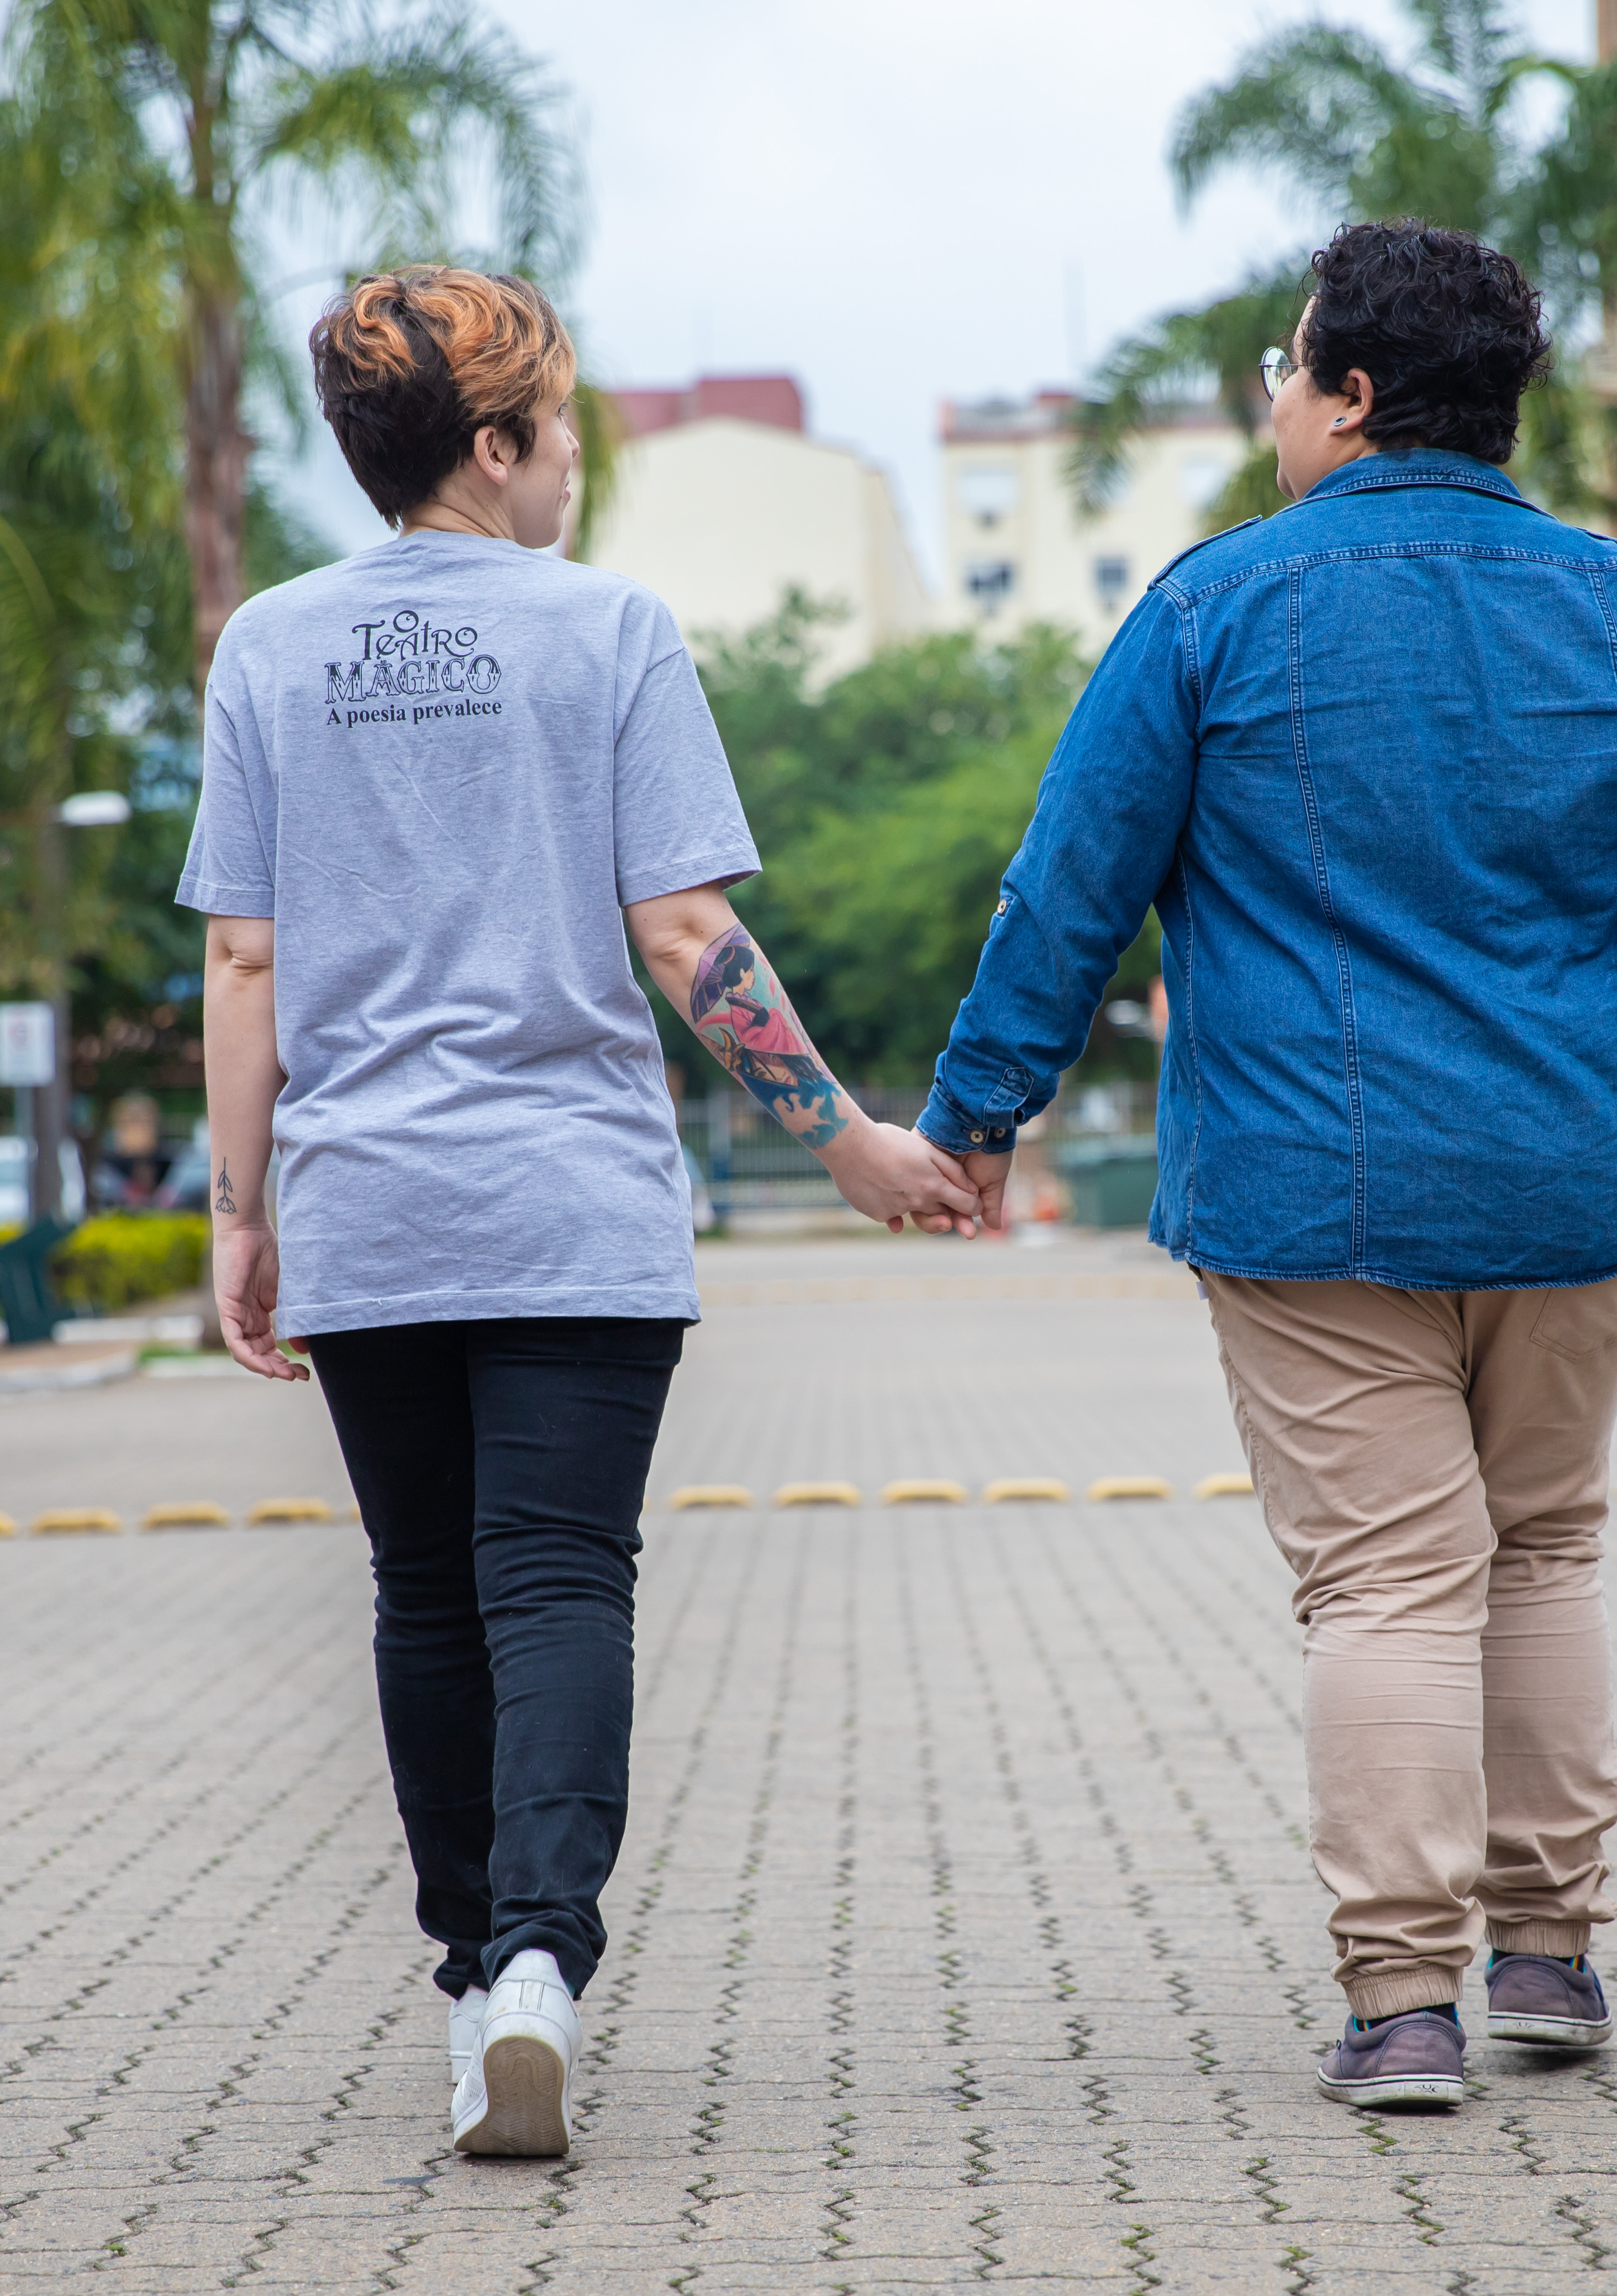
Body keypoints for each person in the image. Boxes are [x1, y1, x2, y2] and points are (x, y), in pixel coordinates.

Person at [917, 220, 1617, 2111]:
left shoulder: (1209, 612)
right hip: (1574, 1184)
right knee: (1544, 1549)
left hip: (1308, 1194)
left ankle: (1406, 2002)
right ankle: (1549, 1958)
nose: (1273, 402)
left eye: (1284, 370)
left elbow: (1069, 889)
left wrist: (979, 1118)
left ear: (1347, 394)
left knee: (1392, 1584)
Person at [181, 265, 979, 2160]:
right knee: (555, 1581)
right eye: (558, 434)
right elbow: (688, 933)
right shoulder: (610, 630)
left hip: (369, 1206)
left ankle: (474, 1986)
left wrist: (240, 1212)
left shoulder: (269, 649)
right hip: (571, 1208)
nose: (571, 468)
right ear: (494, 444)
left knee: (423, 1593)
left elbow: (244, 961)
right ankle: (543, 1958)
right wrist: (847, 1140)